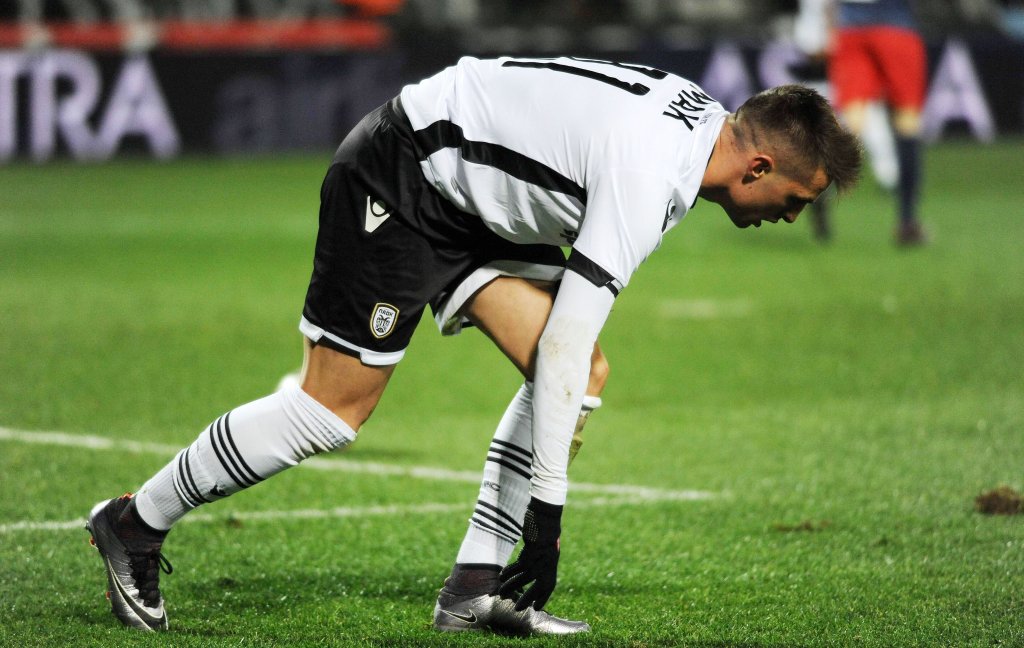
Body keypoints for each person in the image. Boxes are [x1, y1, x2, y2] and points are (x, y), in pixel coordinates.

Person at [85, 55, 861, 636]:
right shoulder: (651, 173)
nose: (793, 217)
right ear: (759, 166)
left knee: (583, 374)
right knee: (332, 410)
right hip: (403, 176)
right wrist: (548, 519)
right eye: (797, 199)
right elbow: (563, 340)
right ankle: (133, 523)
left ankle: (472, 591)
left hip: (475, 199)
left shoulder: (697, 128)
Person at [822, 0, 930, 244]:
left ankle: (816, 189)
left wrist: (829, 24)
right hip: (895, 24)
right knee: (907, 122)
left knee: (852, 122)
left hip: (850, 27)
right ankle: (907, 223)